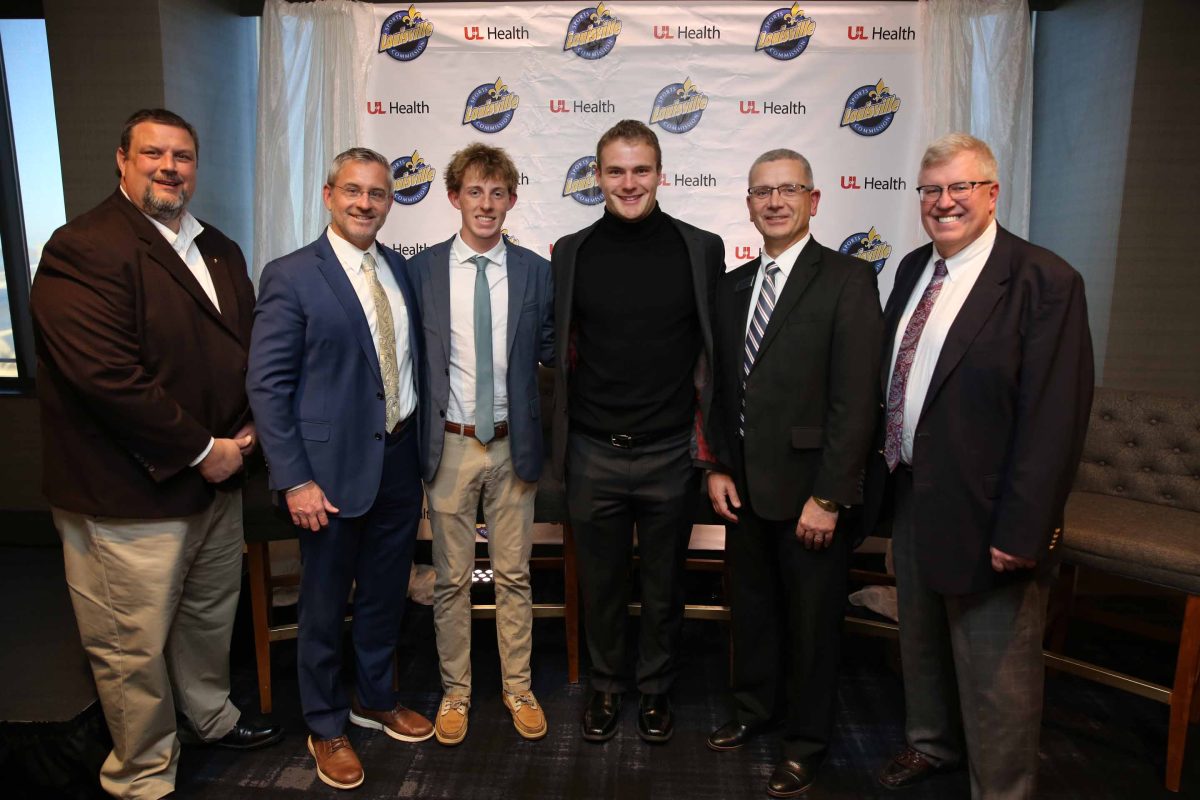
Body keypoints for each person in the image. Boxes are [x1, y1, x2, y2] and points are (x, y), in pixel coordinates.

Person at [30, 107, 281, 800]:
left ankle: (208, 717)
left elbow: (246, 352)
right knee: (128, 646)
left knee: (206, 620)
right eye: (153, 153)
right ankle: (142, 774)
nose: (169, 167)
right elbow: (103, 376)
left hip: (218, 480)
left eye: (182, 156)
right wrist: (203, 449)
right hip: (129, 493)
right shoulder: (83, 246)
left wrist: (249, 430)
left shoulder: (219, 248)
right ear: (122, 159)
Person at [862, 133, 1094, 799]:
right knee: (921, 639)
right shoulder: (914, 267)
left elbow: (1054, 420)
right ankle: (931, 744)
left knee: (997, 671)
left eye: (960, 187)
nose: (944, 202)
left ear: (992, 193)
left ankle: (1002, 788)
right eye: (932, 190)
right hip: (913, 490)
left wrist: (1023, 530)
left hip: (991, 511)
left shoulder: (1044, 281)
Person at [247, 147, 432, 790]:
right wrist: (294, 479)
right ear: (329, 196)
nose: (364, 203)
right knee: (324, 606)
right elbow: (268, 386)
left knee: (385, 594)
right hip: (324, 476)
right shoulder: (291, 275)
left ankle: (375, 698)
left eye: (377, 193)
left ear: (390, 202)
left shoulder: (397, 269)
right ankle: (325, 723)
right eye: (352, 190)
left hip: (399, 461)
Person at [704, 149, 882, 797]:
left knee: (811, 626)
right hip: (745, 487)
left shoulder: (848, 279)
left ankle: (805, 744)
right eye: (763, 192)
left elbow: (856, 400)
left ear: (814, 199)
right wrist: (717, 467)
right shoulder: (732, 287)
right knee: (752, 611)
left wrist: (830, 497)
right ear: (749, 204)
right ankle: (756, 710)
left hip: (811, 491)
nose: (775, 202)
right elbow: (720, 388)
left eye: (789, 189)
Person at [550, 119, 724, 743]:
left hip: (670, 451)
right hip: (592, 449)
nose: (629, 183)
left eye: (641, 170)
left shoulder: (701, 248)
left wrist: (712, 451)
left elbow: (713, 353)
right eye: (616, 171)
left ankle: (654, 690)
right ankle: (604, 688)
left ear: (660, 174)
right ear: (597, 177)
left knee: (663, 584)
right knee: (600, 585)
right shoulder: (571, 252)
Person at [406, 144, 554, 745]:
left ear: (512, 200)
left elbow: (552, 347)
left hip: (513, 446)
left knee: (514, 574)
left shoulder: (536, 271)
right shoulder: (421, 271)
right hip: (450, 446)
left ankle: (518, 687)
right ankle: (456, 692)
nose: (486, 204)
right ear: (454, 197)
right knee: (451, 578)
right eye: (474, 191)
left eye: (497, 193)